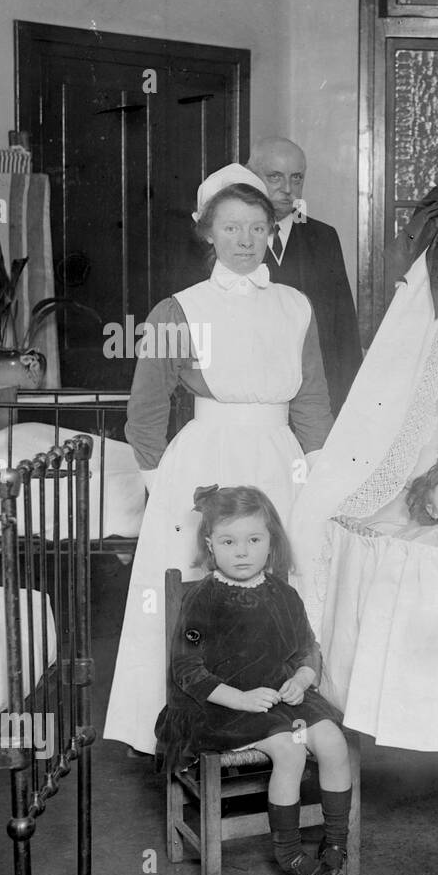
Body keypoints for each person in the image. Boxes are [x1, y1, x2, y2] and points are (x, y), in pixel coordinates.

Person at [105, 163, 334, 756]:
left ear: (271, 229)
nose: (245, 240)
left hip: (280, 460)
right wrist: (171, 493)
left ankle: (288, 724)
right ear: (207, 231)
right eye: (231, 228)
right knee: (197, 589)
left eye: (257, 227)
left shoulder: (295, 306)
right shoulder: (175, 310)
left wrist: (319, 475)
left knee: (284, 582)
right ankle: (186, 728)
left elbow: (311, 403)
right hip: (204, 465)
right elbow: (145, 415)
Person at [158, 486, 351, 875]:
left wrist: (301, 679)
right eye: (229, 542)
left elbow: (306, 650)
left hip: (280, 700)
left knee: (332, 741)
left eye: (253, 540)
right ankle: (290, 855)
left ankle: (336, 843)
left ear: (270, 543)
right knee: (290, 748)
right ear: (210, 545)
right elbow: (186, 669)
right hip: (225, 706)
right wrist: (240, 698)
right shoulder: (203, 599)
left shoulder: (284, 594)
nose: (242, 552)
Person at [248, 136, 362, 415]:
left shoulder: (324, 237)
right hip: (254, 398)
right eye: (275, 177)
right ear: (251, 176)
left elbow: (343, 329)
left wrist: (350, 407)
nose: (287, 189)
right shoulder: (235, 238)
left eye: (296, 178)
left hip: (316, 398)